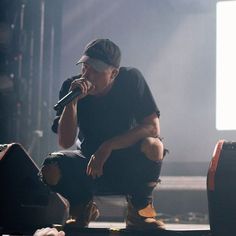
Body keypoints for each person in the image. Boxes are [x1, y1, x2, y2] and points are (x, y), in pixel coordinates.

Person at [40, 38, 166, 230]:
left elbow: (152, 128)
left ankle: (140, 211)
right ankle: (81, 208)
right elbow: (65, 142)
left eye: (96, 71)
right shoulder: (71, 87)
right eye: (85, 67)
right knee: (51, 168)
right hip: (89, 162)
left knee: (154, 146)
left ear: (114, 73)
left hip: (126, 161)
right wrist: (72, 104)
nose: (87, 75)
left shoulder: (131, 80)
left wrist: (108, 146)